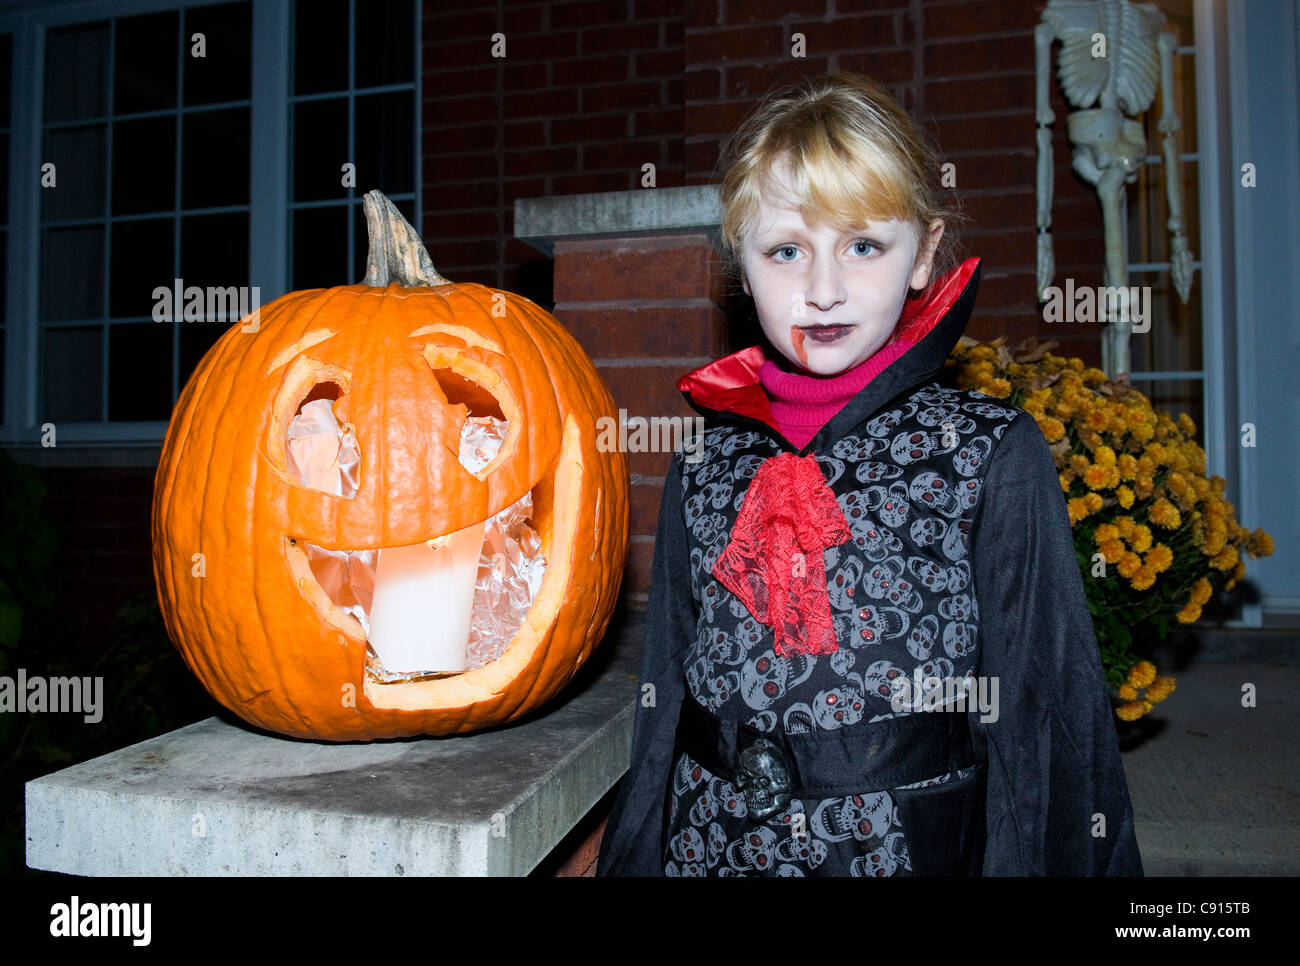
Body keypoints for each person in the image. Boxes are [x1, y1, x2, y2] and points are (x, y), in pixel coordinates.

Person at [595, 71, 1143, 877]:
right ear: (741, 269)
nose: (822, 290)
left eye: (863, 245)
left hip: (898, 847)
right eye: (787, 251)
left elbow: (1045, 715)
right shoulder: (706, 454)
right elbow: (666, 693)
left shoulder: (987, 451)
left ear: (922, 253)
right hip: (709, 844)